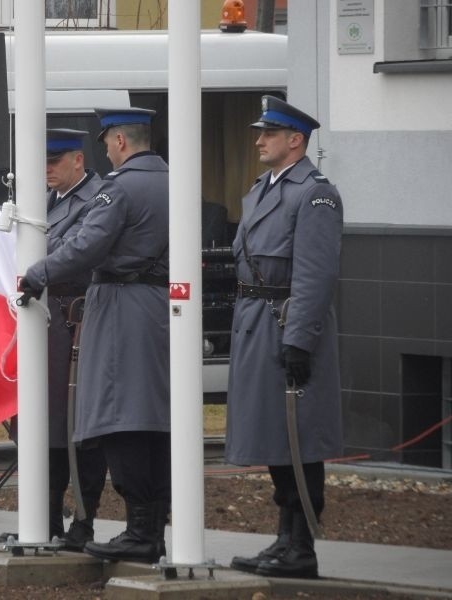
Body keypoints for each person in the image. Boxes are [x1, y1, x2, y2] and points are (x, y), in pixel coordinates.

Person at [21, 108, 170, 563]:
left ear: (120, 142)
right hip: (159, 308)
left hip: (122, 308)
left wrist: (36, 273)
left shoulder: (119, 188)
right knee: (151, 423)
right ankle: (148, 530)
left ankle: (141, 532)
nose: (105, 149)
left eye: (106, 141)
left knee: (118, 417)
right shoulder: (172, 180)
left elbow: (87, 245)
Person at [225, 96, 343, 579]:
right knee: (275, 436)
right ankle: (284, 539)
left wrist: (299, 340)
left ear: (295, 140)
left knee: (298, 438)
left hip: (285, 322)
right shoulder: (264, 188)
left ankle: (302, 546)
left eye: (268, 133)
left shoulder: (314, 194)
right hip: (256, 320)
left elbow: (314, 276)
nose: (259, 141)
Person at [43, 129, 108, 551]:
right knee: (47, 425)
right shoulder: (50, 199)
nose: (45, 169)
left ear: (78, 160)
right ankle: (46, 517)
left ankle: (83, 521)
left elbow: (72, 253)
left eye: (54, 160)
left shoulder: (98, 199)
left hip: (79, 320)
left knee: (81, 428)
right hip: (49, 320)